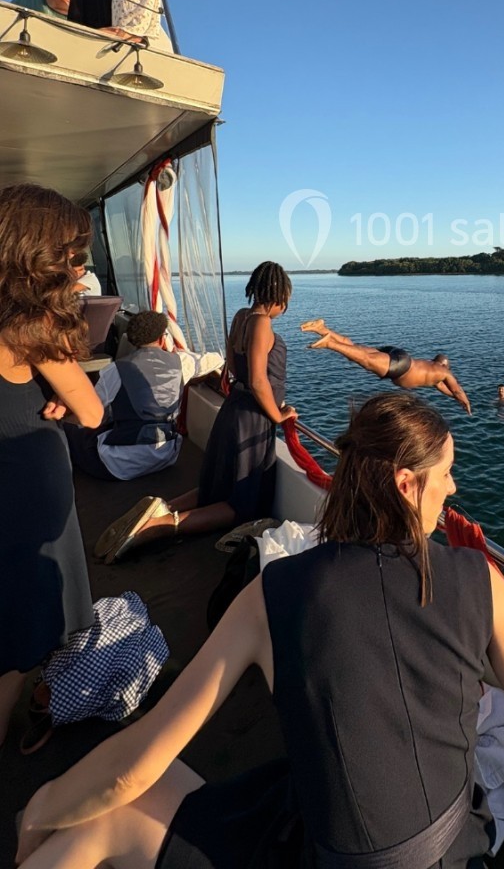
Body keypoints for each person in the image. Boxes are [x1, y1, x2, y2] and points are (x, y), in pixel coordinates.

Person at [16, 392, 504, 868]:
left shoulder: (273, 593)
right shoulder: (477, 581)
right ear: (407, 485)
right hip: (446, 854)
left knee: (102, 813)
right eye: (447, 474)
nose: (454, 489)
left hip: (327, 847)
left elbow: (137, 765)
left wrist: (43, 805)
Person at [94, 263, 296, 563]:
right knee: (240, 505)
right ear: (279, 295)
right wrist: (278, 416)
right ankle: (155, 527)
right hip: (253, 416)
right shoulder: (262, 323)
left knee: (216, 486)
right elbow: (257, 379)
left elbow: (231, 367)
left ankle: (160, 507)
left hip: (233, 409)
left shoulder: (241, 317)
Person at [0, 184, 105, 749]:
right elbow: (91, 413)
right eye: (74, 258)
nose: (80, 272)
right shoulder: (34, 327)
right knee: (20, 626)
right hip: (23, 483)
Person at [65, 311, 184, 482]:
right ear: (161, 339)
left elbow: (92, 413)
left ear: (131, 340)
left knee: (70, 430)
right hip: (167, 456)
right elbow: (213, 360)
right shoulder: (181, 362)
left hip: (120, 466)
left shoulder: (115, 370)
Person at [301, 318, 472, 412]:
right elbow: (456, 390)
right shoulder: (443, 373)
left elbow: (448, 391)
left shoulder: (433, 372)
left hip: (399, 354)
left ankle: (323, 329)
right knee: (364, 360)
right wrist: (467, 403)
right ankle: (329, 344)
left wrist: (457, 400)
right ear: (444, 365)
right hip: (401, 368)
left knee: (355, 350)